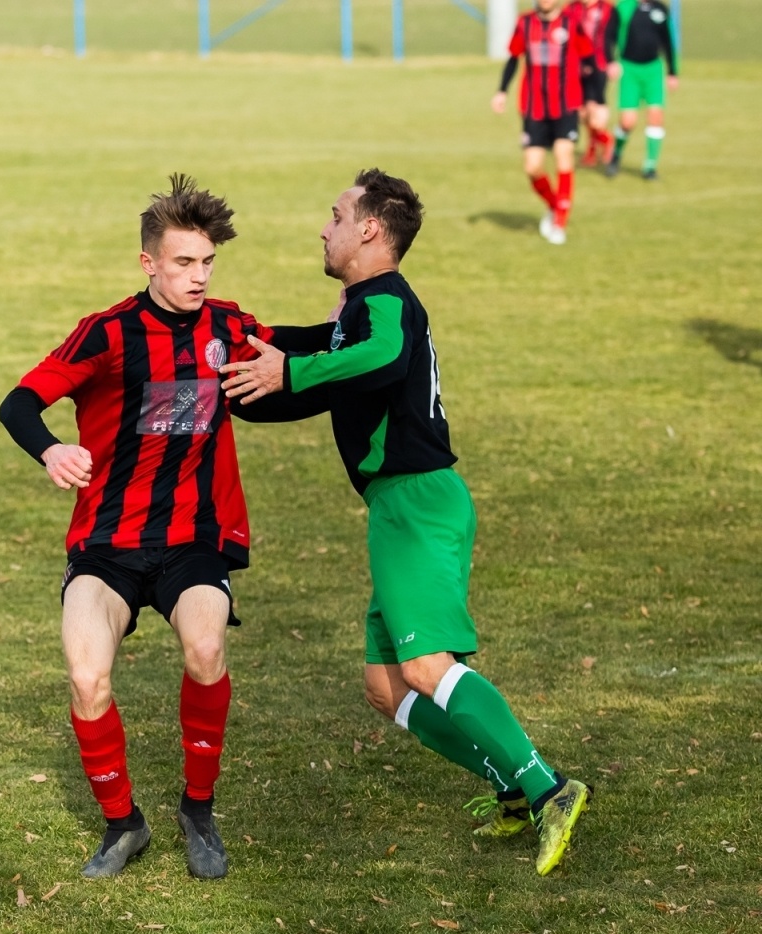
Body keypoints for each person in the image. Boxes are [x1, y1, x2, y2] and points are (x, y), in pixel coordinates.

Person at [221, 169, 591, 877]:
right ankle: (512, 787)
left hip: (418, 501)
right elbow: (321, 364)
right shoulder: (357, 312)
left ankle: (549, 788)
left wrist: (289, 373)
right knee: (386, 686)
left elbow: (374, 359)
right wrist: (248, 355)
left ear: (369, 229)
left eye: (335, 215)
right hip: (399, 508)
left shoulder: (385, 301)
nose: (323, 228)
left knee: (425, 667)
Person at [0, 175, 271, 881]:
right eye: (184, 263)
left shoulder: (230, 327)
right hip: (107, 545)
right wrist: (52, 447)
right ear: (149, 263)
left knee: (206, 647)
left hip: (192, 540)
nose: (199, 276)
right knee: (88, 676)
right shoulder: (109, 333)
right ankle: (124, 824)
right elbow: (20, 403)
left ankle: (199, 810)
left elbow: (288, 364)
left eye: (207, 262)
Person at [491, 0, 593, 246]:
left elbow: (588, 61)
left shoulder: (571, 23)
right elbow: (513, 58)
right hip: (534, 108)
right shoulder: (525, 23)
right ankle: (555, 205)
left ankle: (559, 223)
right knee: (533, 167)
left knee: (563, 156)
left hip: (566, 105)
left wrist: (592, 99)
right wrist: (502, 91)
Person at [604, 0, 678, 179]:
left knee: (656, 117)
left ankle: (650, 166)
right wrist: (611, 61)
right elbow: (608, 36)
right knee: (628, 122)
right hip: (629, 70)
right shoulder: (623, 8)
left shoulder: (660, 9)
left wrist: (672, 72)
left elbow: (668, 40)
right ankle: (616, 154)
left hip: (653, 70)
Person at [570, 0, 616, 167]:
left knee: (594, 111)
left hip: (598, 67)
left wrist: (612, 62)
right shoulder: (572, 8)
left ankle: (606, 141)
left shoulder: (606, 9)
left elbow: (611, 37)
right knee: (582, 113)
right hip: (576, 68)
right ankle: (595, 147)